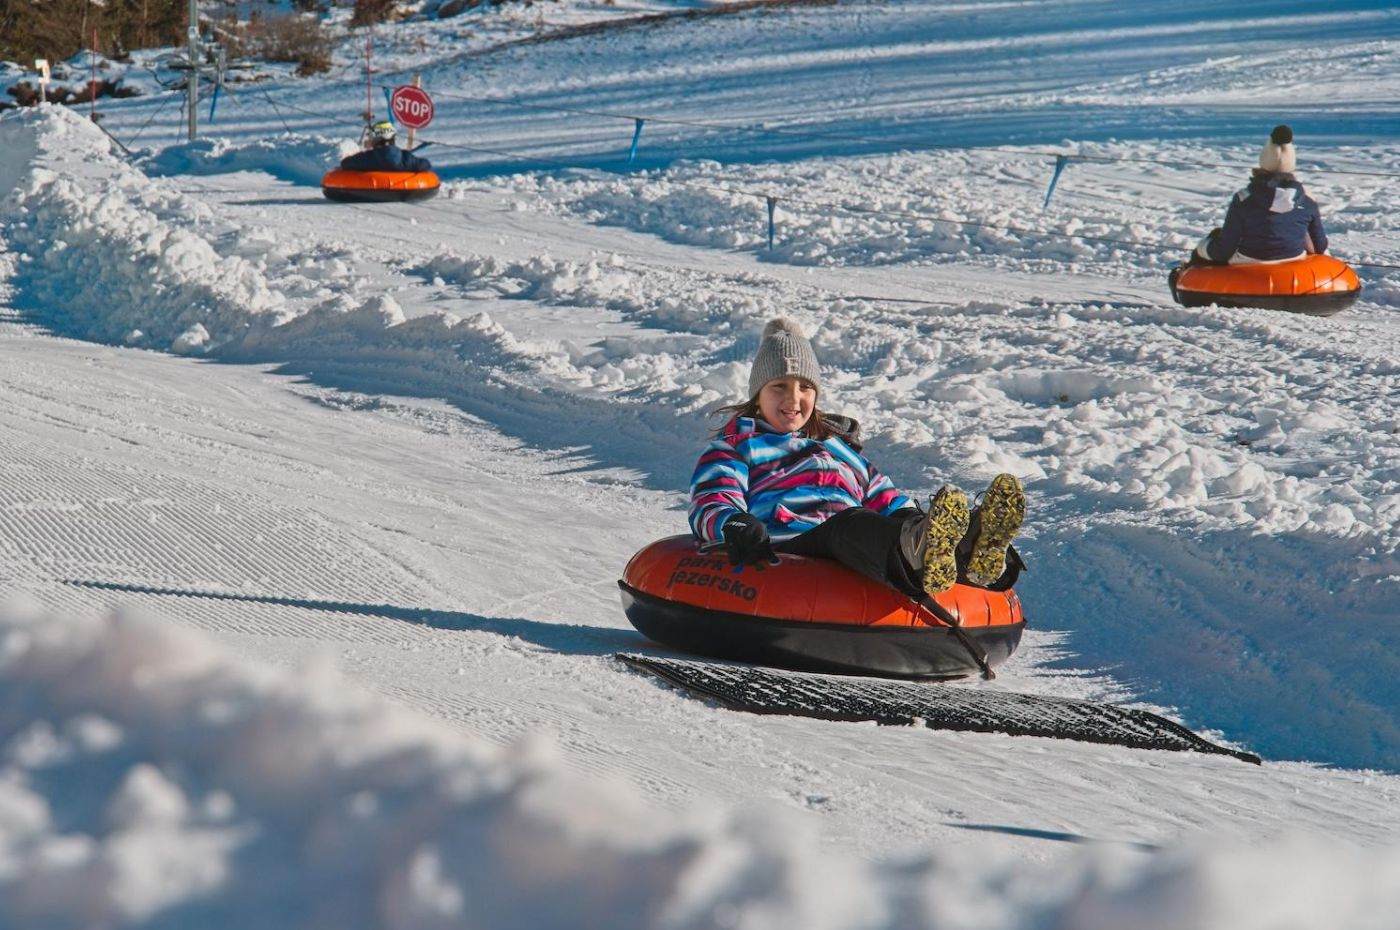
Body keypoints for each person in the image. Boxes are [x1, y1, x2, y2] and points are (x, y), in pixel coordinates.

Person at [688, 318, 1026, 605]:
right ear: (757, 394)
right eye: (779, 386)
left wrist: (910, 517)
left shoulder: (837, 447)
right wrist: (733, 524)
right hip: (792, 546)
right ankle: (921, 552)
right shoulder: (736, 447)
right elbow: (712, 500)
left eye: (806, 387)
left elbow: (884, 495)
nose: (794, 399)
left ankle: (972, 552)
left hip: (853, 546)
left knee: (884, 523)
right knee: (851, 524)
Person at [1192, 124, 1328, 265]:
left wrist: (1202, 247)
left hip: (1248, 263)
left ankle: (1183, 279)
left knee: (1215, 237)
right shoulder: (1307, 200)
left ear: (1263, 162)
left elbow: (1224, 251)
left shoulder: (1243, 199)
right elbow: (1320, 246)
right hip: (1294, 261)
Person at [339, 120, 433, 173]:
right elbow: (426, 164)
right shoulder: (405, 158)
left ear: (375, 140)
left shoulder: (368, 157)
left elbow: (346, 163)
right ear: (393, 138)